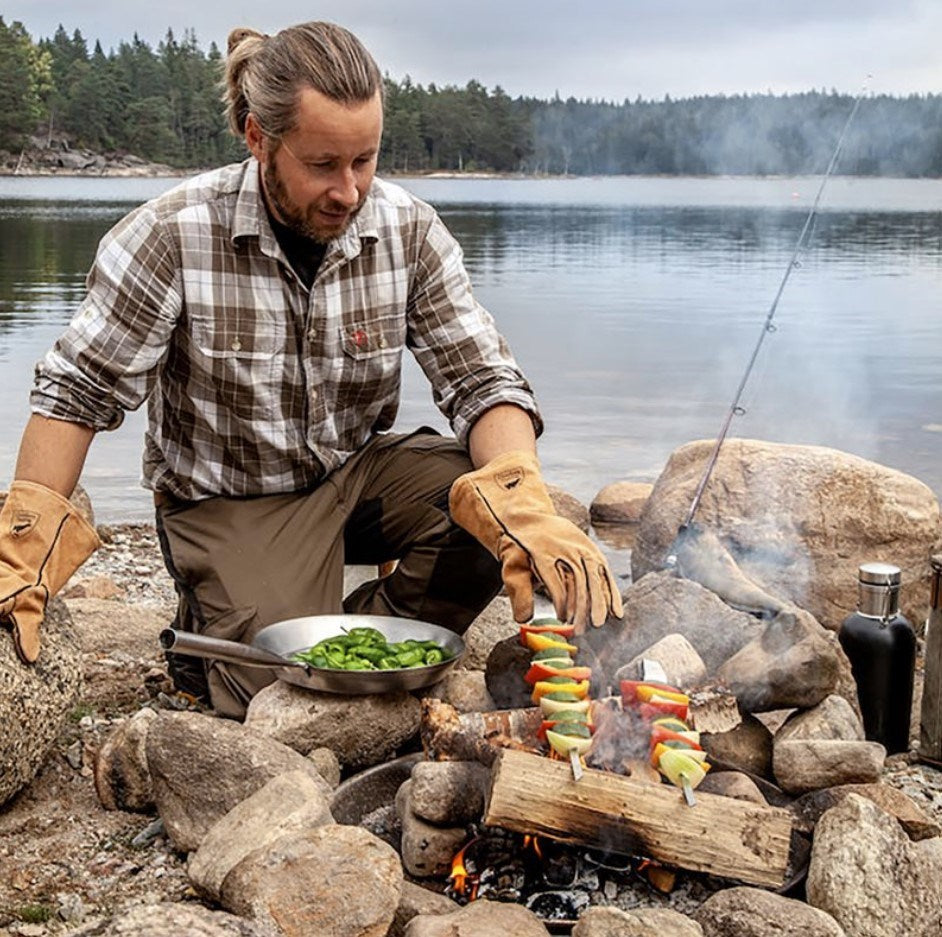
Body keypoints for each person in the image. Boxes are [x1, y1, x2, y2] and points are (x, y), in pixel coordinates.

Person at [0, 21, 622, 718]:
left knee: (494, 514)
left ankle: (360, 628)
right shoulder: (171, 235)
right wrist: (22, 545)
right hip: (230, 499)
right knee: (276, 691)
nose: (350, 192)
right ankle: (217, 628)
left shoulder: (409, 231)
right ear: (257, 137)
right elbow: (77, 392)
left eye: (366, 160)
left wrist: (520, 495)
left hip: (354, 476)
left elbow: (481, 379)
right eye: (323, 164)